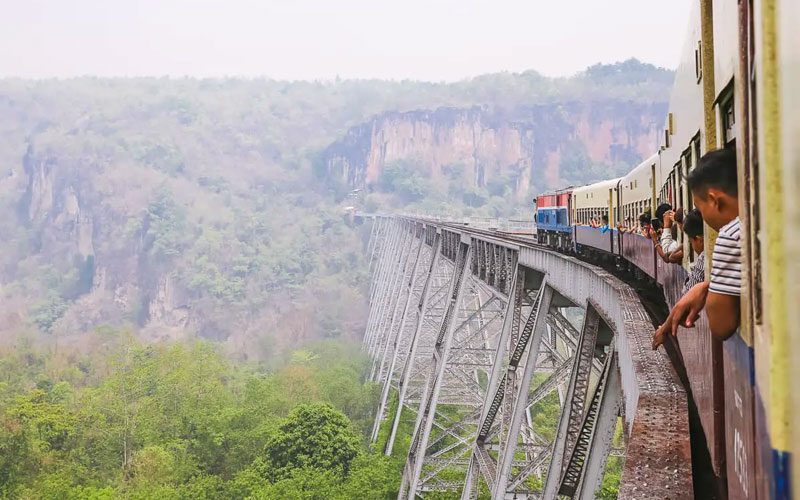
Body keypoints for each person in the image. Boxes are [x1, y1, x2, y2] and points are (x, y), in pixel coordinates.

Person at [666, 148, 740, 340]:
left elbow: (721, 326)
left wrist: (706, 287)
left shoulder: (730, 236)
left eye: (700, 208)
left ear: (715, 200)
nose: (702, 216)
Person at [652, 209, 706, 348]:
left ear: (699, 240)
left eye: (690, 241)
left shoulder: (704, 258)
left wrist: (663, 329)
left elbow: (685, 300)